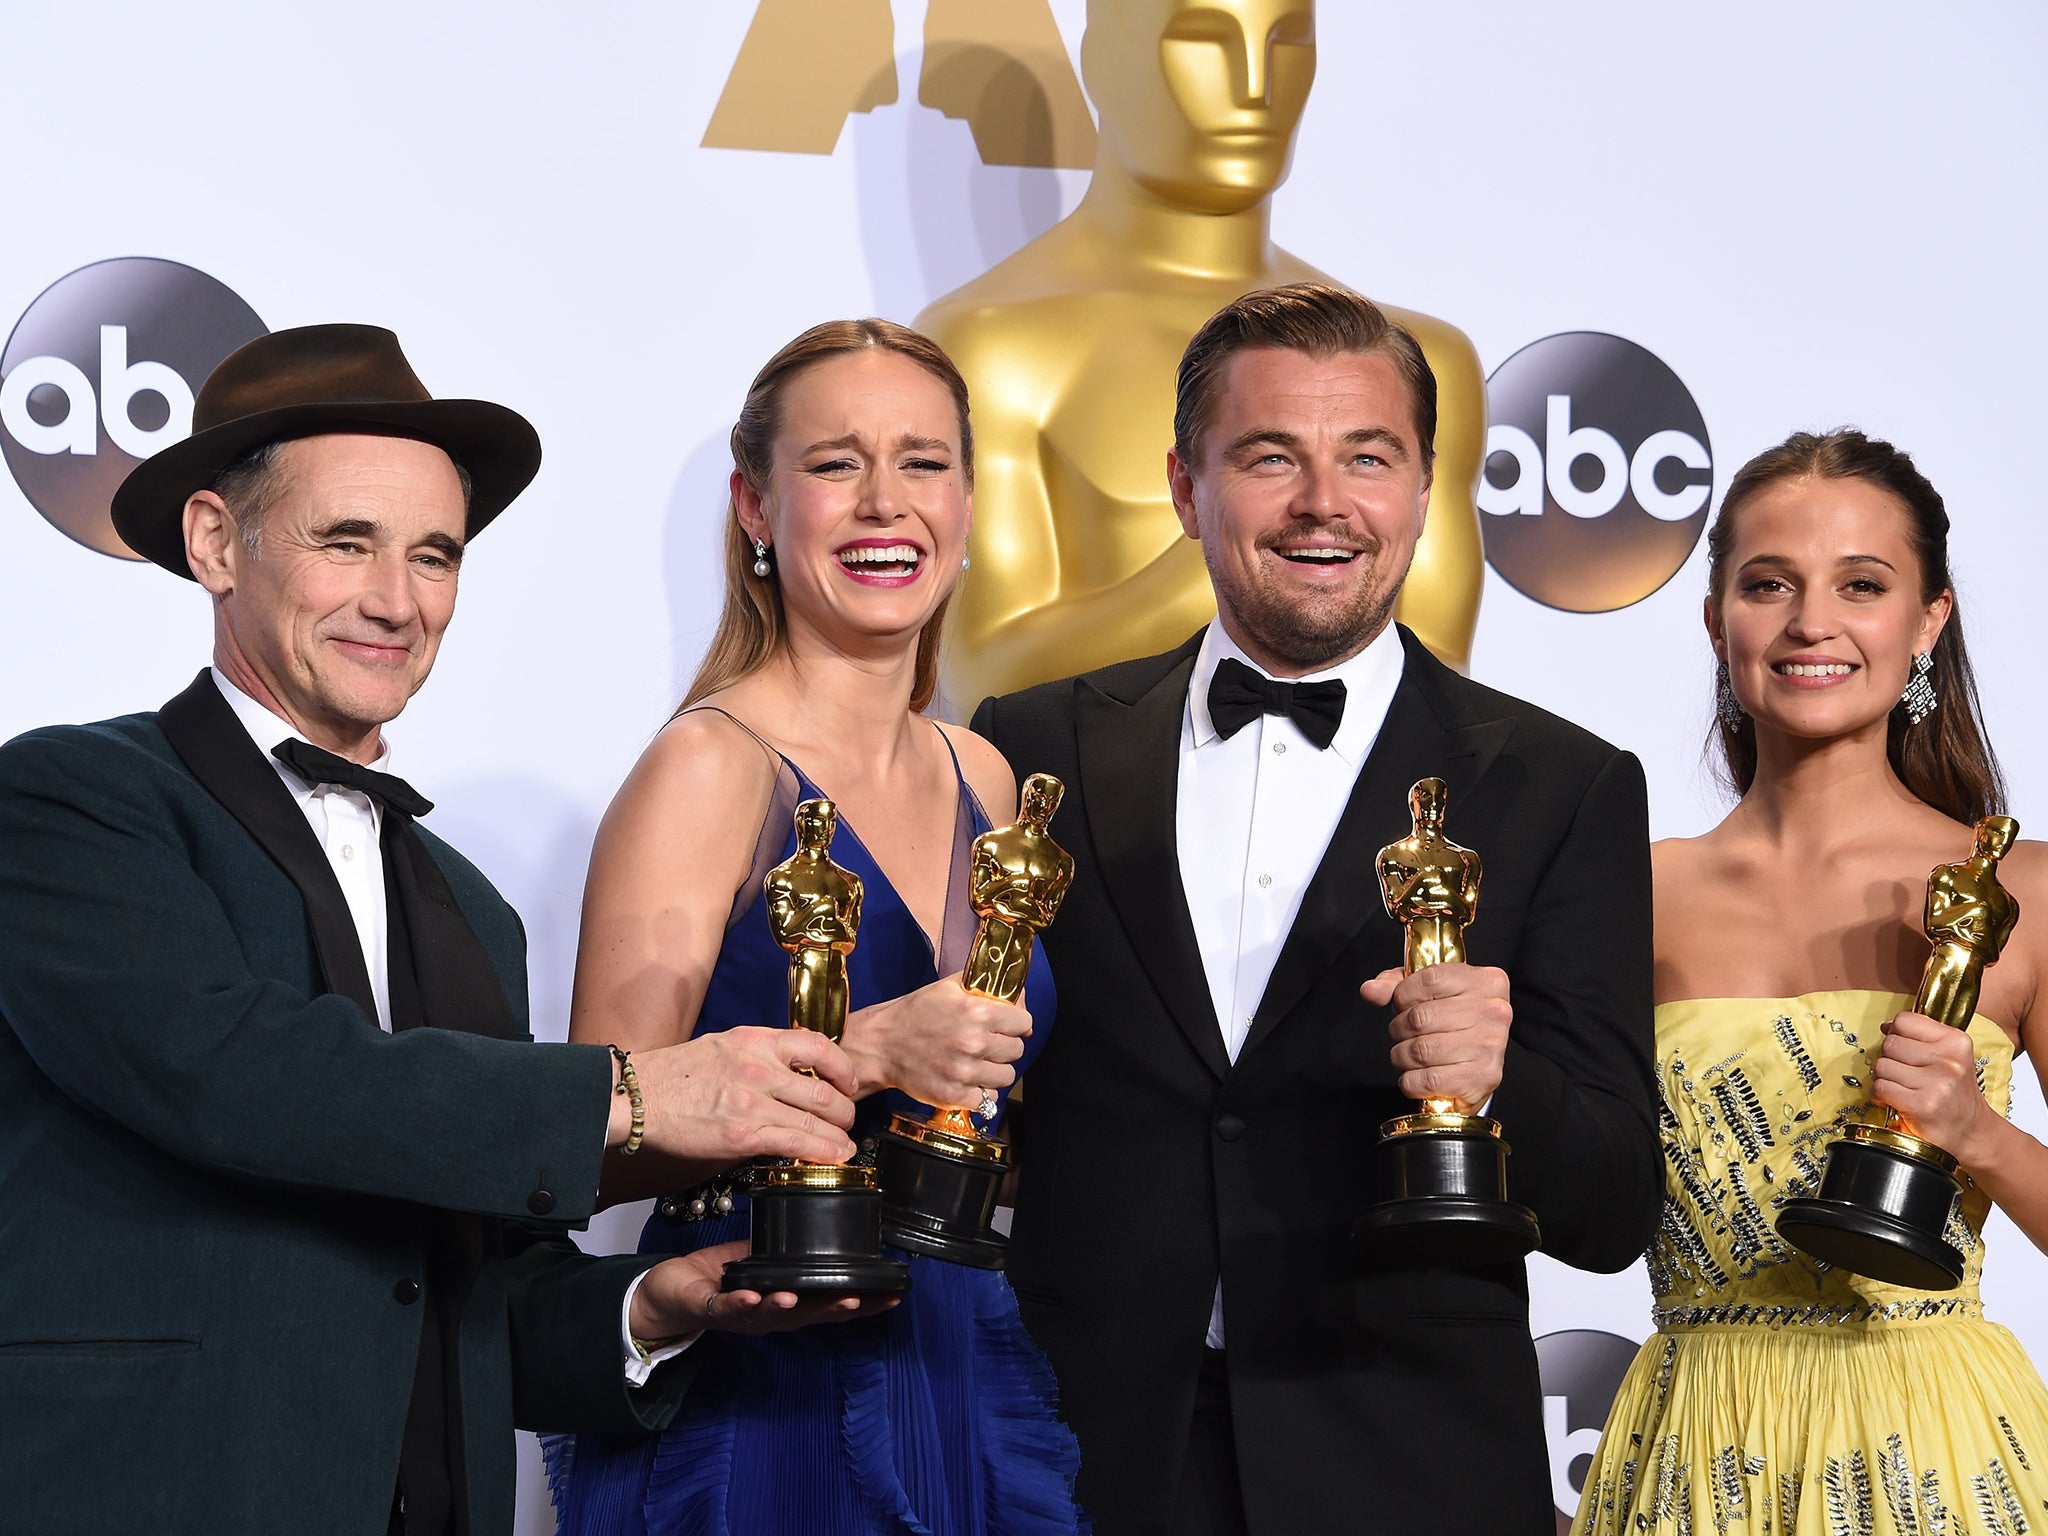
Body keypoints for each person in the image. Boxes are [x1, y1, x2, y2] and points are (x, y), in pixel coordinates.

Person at [0, 324, 885, 1536]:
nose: (396, 602)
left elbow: (475, 1291)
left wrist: (650, 1309)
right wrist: (625, 1099)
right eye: (345, 543)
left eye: (434, 556)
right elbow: (234, 1072)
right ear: (216, 540)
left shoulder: (468, 904)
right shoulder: (68, 801)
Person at [972, 282, 1662, 1536]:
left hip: (1407, 1465)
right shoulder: (1030, 747)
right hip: (1082, 1456)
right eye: (1268, 457)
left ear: (1425, 491)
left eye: (1367, 458)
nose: (1322, 504)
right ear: (1185, 489)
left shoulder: (1561, 786)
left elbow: (1614, 1210)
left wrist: (1502, 1075)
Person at [545, 319, 1087, 1535]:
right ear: (754, 504)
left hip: (953, 1350)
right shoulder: (708, 767)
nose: (883, 503)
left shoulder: (985, 776)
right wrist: (869, 1052)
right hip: (759, 1360)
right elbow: (592, 1139)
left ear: (966, 499)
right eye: (836, 463)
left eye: (923, 461)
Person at [1575, 429, 2048, 1535]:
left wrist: (1975, 1133)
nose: (1810, 623)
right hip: (1691, 1451)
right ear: (1713, 618)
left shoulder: (2018, 889)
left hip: (1937, 1451)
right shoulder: (1625, 893)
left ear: (1927, 620)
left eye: (1861, 584)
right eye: (1766, 584)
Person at [917, 0, 1487, 709]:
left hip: (1363, 814)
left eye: (1285, 41)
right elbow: (991, 689)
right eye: (1204, 40)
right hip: (1089, 813)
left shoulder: (1422, 361)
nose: (1255, 87)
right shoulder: (990, 348)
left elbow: (1439, 694)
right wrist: (1274, 552)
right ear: (1101, 59)